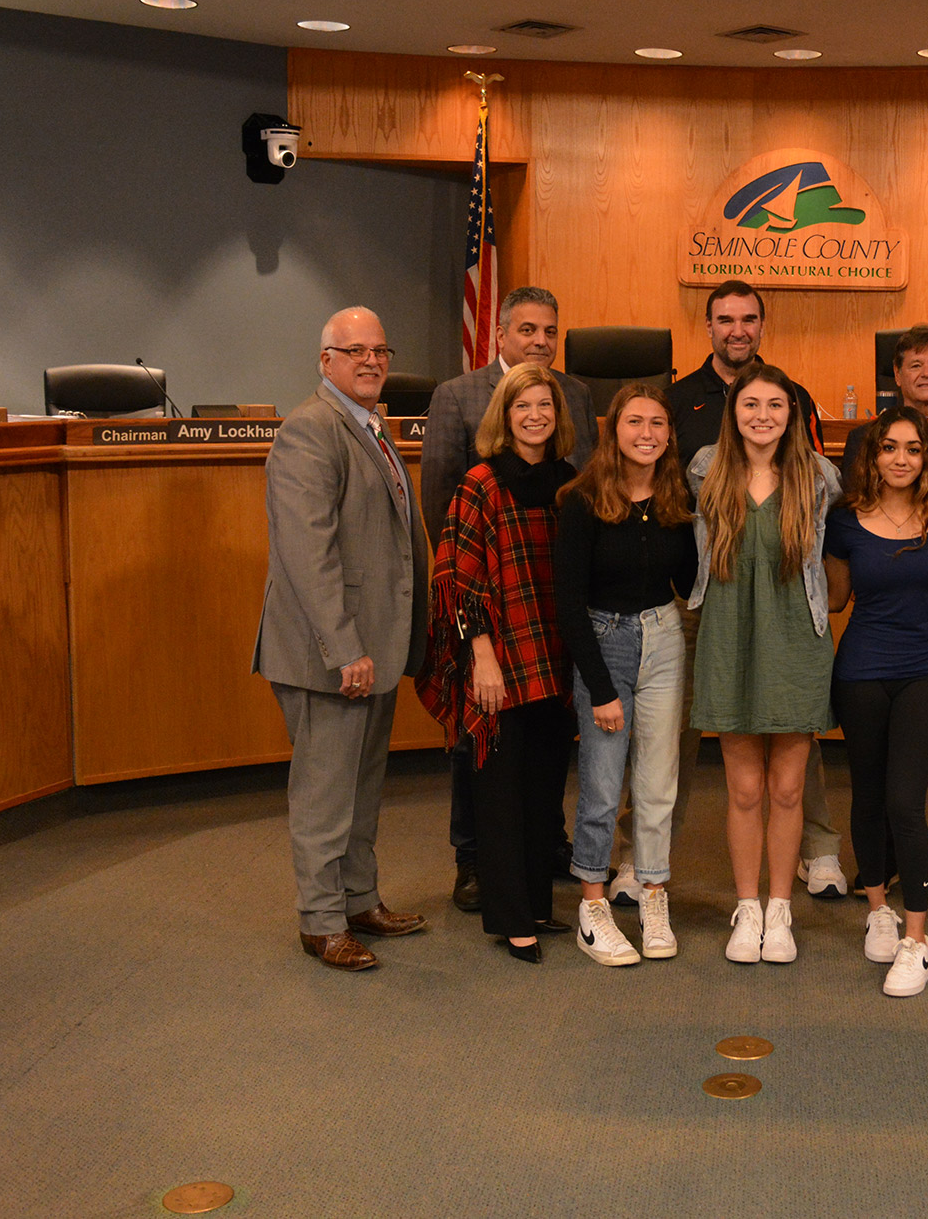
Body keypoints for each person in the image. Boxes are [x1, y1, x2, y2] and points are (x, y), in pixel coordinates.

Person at [634, 278, 847, 905]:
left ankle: (817, 850)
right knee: (688, 737)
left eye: (749, 318)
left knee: (790, 754)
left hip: (790, 615)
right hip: (714, 602)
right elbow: (664, 496)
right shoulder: (683, 412)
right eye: (725, 318)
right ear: (709, 326)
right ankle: (644, 861)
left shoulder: (808, 446)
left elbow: (830, 517)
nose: (737, 328)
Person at [253, 306, 431, 971]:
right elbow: (309, 554)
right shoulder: (309, 430)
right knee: (325, 794)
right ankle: (321, 921)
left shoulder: (371, 425)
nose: (371, 361)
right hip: (330, 654)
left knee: (362, 784)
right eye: (355, 350)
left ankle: (359, 898)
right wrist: (344, 647)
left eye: (380, 350)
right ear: (325, 360)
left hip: (373, 646)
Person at [417, 287, 595, 912]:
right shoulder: (455, 396)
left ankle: (542, 850)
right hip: (489, 604)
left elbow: (586, 498)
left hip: (552, 608)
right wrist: (475, 626)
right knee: (481, 744)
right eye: (527, 329)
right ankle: (473, 860)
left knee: (546, 744)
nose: (540, 341)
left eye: (550, 330)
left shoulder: (574, 395)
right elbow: (442, 507)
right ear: (499, 334)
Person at [687, 362, 842, 964]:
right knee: (744, 788)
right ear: (733, 412)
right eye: (750, 404)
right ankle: (747, 905)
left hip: (795, 639)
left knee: (787, 787)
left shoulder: (818, 477)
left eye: (775, 405)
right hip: (728, 636)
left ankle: (780, 909)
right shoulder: (707, 468)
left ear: (792, 414)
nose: (762, 416)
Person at [553, 384, 696, 966]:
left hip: (664, 639)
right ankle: (592, 908)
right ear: (613, 431)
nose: (646, 434)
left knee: (659, 783)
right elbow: (568, 602)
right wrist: (601, 689)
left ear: (669, 434)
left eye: (657, 423)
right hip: (604, 644)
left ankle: (653, 892)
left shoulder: (674, 496)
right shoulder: (582, 499)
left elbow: (687, 582)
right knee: (603, 786)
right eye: (634, 422)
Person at [825, 406, 928, 996]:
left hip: (924, 673)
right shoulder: (845, 521)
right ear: (873, 456)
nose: (901, 458)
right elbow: (833, 601)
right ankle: (877, 907)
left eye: (913, 448)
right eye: (889, 448)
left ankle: (916, 938)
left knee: (906, 801)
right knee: (870, 793)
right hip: (860, 671)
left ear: (925, 459)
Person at [842, 324, 928, 898]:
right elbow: (853, 515)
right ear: (896, 375)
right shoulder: (864, 439)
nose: (927, 374)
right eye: (914, 364)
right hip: (889, 613)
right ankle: (887, 862)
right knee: (884, 763)